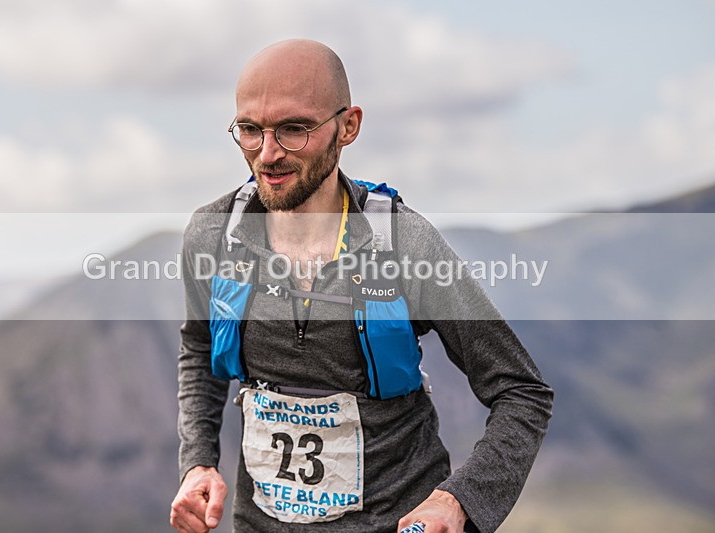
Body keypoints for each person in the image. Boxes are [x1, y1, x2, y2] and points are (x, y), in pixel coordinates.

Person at [170, 39, 553, 533]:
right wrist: (198, 460)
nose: (267, 153)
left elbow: (522, 391)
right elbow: (199, 348)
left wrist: (460, 501)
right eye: (249, 129)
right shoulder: (212, 235)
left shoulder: (403, 244)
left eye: (294, 129)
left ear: (348, 126)